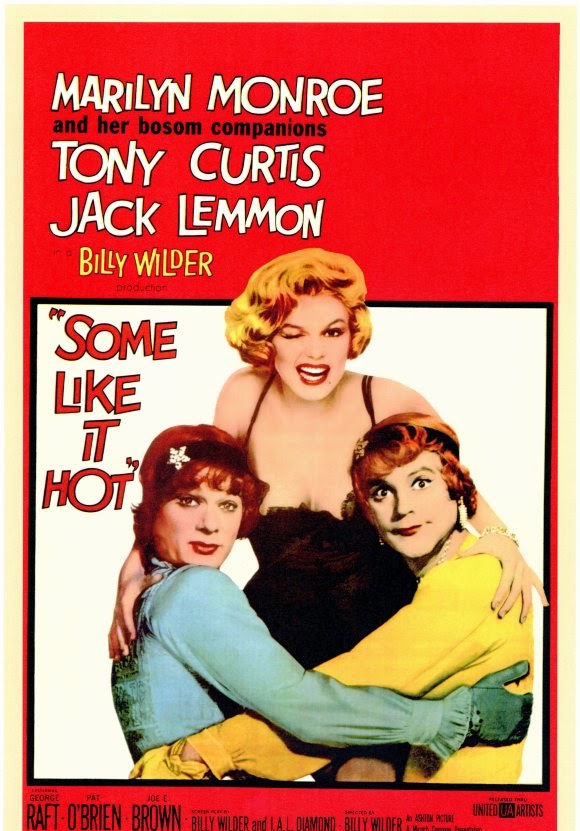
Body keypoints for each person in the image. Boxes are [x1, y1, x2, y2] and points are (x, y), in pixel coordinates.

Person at [110, 248, 545, 667]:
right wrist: (134, 568)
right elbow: (197, 489)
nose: (315, 353)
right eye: (293, 334)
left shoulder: (389, 400)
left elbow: (460, 493)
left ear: (352, 334)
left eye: (332, 332)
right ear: (267, 337)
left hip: (388, 637)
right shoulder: (245, 395)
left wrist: (502, 541)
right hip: (275, 636)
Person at [129, 414, 534, 784]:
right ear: (367, 511)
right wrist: (450, 719)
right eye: (381, 491)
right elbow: (314, 709)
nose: (404, 508)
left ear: (456, 487)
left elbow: (327, 703)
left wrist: (197, 754)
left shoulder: (473, 578)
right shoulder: (192, 587)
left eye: (421, 482)